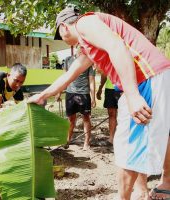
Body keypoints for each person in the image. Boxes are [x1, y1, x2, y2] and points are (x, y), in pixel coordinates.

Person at [28, 7, 170, 200]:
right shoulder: (89, 42)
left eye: (60, 36)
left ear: (63, 27)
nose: (63, 40)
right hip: (155, 75)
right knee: (156, 131)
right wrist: (44, 94)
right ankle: (164, 182)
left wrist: (133, 95)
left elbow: (117, 47)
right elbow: (73, 72)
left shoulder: (85, 23)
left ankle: (127, 196)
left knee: (126, 144)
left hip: (145, 78)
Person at [61, 48, 96, 150]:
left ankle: (86, 142)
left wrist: (93, 97)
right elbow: (64, 77)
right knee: (71, 119)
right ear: (76, 49)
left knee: (86, 118)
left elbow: (91, 81)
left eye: (84, 49)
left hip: (84, 94)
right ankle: (68, 139)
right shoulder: (68, 60)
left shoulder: (89, 62)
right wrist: (59, 92)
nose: (81, 50)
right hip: (70, 93)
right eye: (80, 48)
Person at [96, 73, 121, 145]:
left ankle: (125, 138)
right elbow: (104, 74)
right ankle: (111, 138)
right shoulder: (108, 61)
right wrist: (100, 88)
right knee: (111, 114)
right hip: (110, 89)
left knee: (126, 114)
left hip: (123, 88)